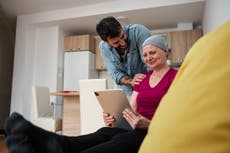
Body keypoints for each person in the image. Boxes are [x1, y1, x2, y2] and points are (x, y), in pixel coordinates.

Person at [4, 35, 177, 153]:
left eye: (152, 53)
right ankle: (56, 143)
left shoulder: (177, 78)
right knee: (104, 132)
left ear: (165, 51)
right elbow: (131, 109)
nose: (148, 58)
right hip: (135, 129)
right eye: (145, 55)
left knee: (118, 142)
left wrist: (148, 124)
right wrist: (116, 116)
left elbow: (179, 117)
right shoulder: (141, 79)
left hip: (154, 131)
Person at [96, 16, 151, 96]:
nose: (123, 43)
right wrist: (131, 81)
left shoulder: (139, 32)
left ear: (121, 26)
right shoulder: (104, 47)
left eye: (122, 36)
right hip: (123, 91)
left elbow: (149, 63)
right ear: (106, 42)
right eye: (116, 42)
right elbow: (114, 72)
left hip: (145, 86)